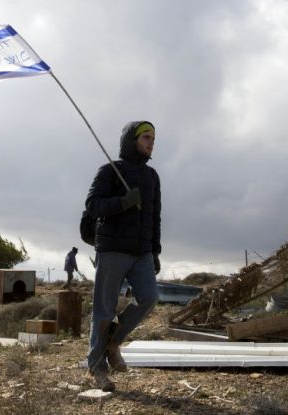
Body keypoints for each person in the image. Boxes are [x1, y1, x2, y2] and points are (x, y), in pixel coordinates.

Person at [85, 120, 161, 392]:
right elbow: (92, 205)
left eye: (153, 138)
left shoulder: (152, 177)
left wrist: (155, 251)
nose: (151, 143)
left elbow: (155, 217)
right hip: (112, 249)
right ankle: (97, 367)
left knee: (150, 297)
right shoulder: (110, 170)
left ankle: (113, 342)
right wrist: (123, 202)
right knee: (104, 310)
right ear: (132, 140)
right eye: (146, 137)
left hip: (142, 252)